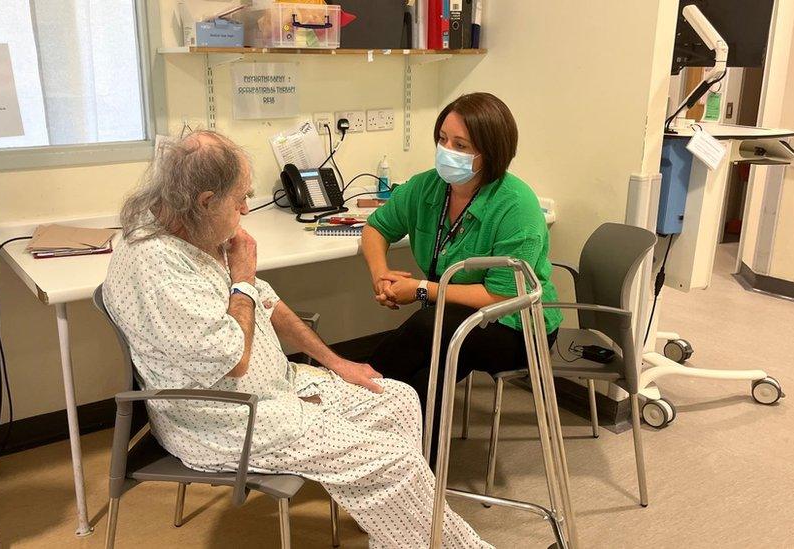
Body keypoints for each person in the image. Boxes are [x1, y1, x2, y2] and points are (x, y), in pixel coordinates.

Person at [104, 130, 492, 548]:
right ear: (204, 200)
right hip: (228, 417)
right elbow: (233, 357)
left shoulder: (194, 229)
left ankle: (394, 530)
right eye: (239, 200)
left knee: (395, 398)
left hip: (278, 386)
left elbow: (266, 303)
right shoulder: (158, 266)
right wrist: (244, 279)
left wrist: (337, 363)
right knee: (393, 461)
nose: (246, 209)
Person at [361, 92, 562, 461]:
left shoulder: (517, 207)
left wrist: (422, 290)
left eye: (460, 144)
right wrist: (381, 274)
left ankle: (360, 402)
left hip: (520, 326)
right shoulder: (428, 187)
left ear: (490, 152)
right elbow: (376, 228)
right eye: (442, 139)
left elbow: (501, 298)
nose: (446, 150)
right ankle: (395, 460)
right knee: (426, 374)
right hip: (451, 317)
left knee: (429, 329)